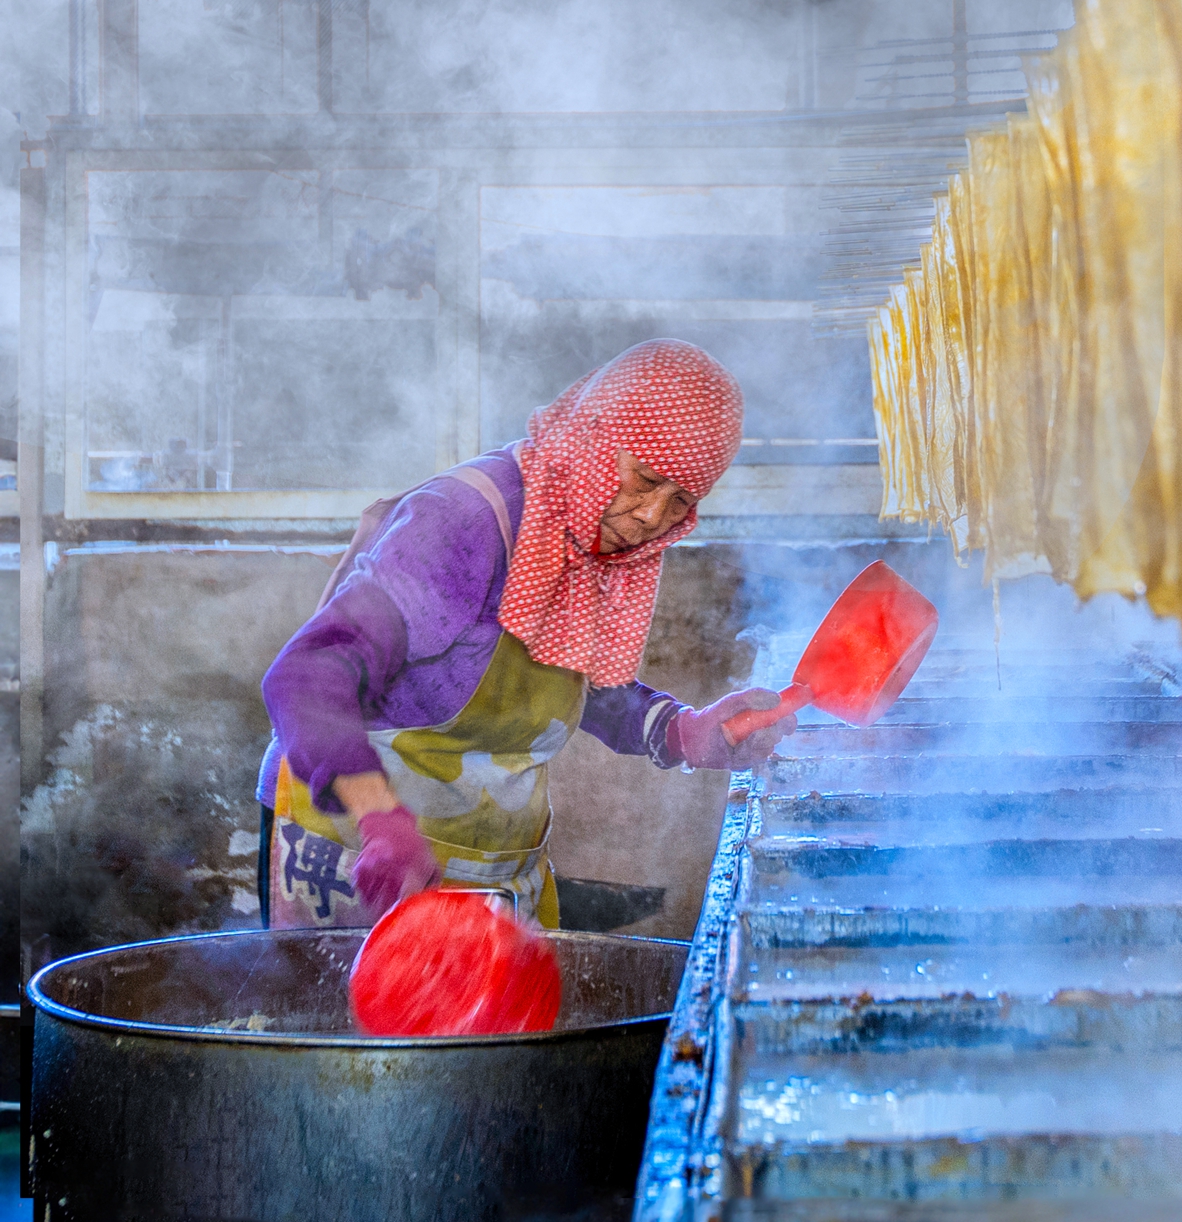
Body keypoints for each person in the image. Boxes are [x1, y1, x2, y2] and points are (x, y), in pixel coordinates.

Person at [256, 339, 794, 929]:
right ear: (594, 440)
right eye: (644, 480)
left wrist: (683, 732)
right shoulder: (463, 523)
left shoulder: (588, 534)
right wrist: (381, 822)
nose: (650, 518)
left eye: (680, 501)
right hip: (362, 854)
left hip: (493, 869)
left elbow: (571, 676)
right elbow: (306, 677)